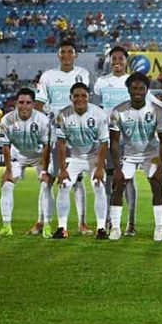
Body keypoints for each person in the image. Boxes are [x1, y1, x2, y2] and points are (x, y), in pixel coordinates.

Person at [34, 40, 91, 236]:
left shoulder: (83, 74)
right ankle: (41, 221)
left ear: (75, 55)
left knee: (78, 180)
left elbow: (85, 102)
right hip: (54, 134)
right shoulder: (48, 76)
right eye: (63, 52)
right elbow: (39, 104)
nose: (66, 55)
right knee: (48, 178)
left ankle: (82, 223)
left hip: (77, 135)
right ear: (58, 55)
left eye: (70, 52)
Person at [109, 72, 162, 241]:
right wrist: (117, 169)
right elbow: (114, 142)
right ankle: (115, 228)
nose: (137, 92)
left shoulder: (156, 110)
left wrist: (160, 168)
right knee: (118, 185)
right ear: (128, 90)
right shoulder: (118, 111)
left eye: (141, 89)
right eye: (134, 88)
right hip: (129, 154)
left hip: (151, 154)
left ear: (146, 90)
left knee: (156, 185)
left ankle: (159, 228)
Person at [92, 46, 140, 236]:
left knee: (128, 179)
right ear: (110, 61)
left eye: (121, 58)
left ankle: (131, 222)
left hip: (128, 139)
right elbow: (96, 108)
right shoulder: (102, 82)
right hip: (108, 137)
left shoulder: (133, 82)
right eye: (114, 58)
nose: (117, 61)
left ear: (126, 61)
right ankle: (108, 220)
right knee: (108, 178)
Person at [53, 83, 109, 239]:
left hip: (94, 157)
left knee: (98, 185)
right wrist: (62, 169)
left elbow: (104, 143)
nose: (80, 99)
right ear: (70, 97)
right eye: (76, 96)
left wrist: (99, 167)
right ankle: (62, 228)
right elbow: (61, 144)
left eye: (83, 95)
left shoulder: (99, 114)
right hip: (74, 157)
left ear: (89, 97)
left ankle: (101, 228)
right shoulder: (62, 115)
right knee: (64, 185)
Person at [0, 88, 53, 238]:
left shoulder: (42, 120)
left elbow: (47, 146)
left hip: (38, 156)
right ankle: (6, 226)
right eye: (21, 102)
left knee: (46, 185)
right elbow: (5, 146)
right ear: (16, 103)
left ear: (33, 104)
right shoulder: (7, 120)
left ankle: (46, 225)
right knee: (7, 185)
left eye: (28, 103)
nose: (24, 106)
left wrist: (45, 171)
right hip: (18, 155)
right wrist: (8, 171)